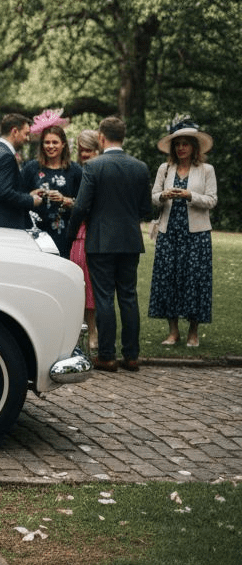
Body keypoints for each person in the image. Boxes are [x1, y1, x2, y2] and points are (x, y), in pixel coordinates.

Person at [69, 116, 151, 373]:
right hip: (129, 239)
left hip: (101, 240)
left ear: (102, 138)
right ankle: (132, 356)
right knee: (128, 296)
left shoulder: (94, 167)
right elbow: (146, 210)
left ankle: (106, 356)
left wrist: (70, 234)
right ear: (122, 137)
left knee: (104, 297)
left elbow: (81, 206)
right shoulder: (140, 167)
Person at [148, 118, 217, 348]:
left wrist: (189, 196)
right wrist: (164, 196)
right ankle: (173, 331)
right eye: (177, 144)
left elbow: (212, 200)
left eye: (186, 144)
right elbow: (153, 196)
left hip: (196, 235)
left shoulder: (206, 170)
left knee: (195, 281)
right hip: (169, 232)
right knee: (168, 280)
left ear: (194, 147)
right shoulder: (165, 168)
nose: (181, 148)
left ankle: (193, 333)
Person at [21, 110, 81, 258]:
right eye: (47, 142)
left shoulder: (75, 171)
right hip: (36, 233)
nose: (50, 146)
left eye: (55, 142)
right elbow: (18, 196)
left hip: (65, 234)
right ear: (42, 145)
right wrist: (31, 196)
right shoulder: (31, 168)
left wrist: (64, 200)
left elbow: (83, 204)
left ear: (63, 145)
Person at [0, 113, 42, 228]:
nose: (27, 139)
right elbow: (5, 193)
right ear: (15, 131)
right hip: (0, 223)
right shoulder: (6, 156)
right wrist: (31, 200)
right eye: (26, 134)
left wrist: (26, 194)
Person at [69, 129, 101, 348]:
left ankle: (93, 331)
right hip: (79, 232)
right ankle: (78, 331)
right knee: (78, 282)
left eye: (88, 150)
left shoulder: (99, 170)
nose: (84, 155)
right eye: (81, 151)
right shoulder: (78, 171)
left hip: (93, 230)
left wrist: (76, 205)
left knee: (91, 284)